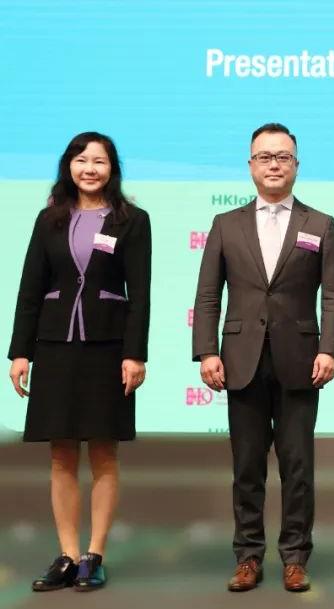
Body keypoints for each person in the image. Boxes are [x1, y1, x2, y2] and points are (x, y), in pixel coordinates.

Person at [191, 123, 334, 593]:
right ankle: (248, 556)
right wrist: (206, 351)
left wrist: (329, 348)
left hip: (301, 360)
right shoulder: (226, 224)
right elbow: (208, 295)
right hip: (240, 360)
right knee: (247, 468)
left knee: (298, 467)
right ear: (251, 166)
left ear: (296, 165)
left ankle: (295, 557)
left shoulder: (320, 224)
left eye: (283, 157)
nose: (274, 164)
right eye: (265, 157)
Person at [8, 132, 151, 592]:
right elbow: (30, 288)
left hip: (108, 346)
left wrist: (135, 354)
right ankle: (68, 555)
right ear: (69, 166)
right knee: (61, 453)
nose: (90, 168)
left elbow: (140, 294)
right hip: (54, 345)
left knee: (104, 452)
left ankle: (94, 555)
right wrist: (20, 352)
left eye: (99, 161)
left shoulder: (132, 220)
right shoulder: (49, 219)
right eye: (81, 160)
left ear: (112, 169)